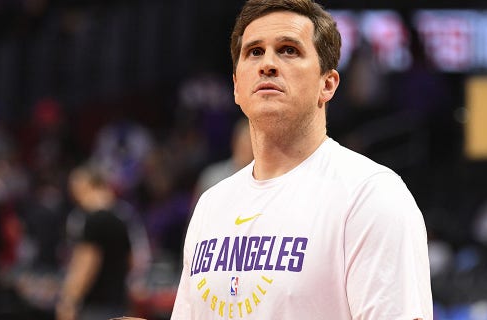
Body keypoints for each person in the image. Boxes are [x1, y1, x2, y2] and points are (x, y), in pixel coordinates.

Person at [171, 0, 432, 319]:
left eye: (288, 50)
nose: (267, 63)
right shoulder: (211, 205)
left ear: (328, 84)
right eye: (254, 52)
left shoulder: (370, 196)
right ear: (237, 87)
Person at [56, 164, 133, 320]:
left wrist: (69, 301)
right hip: (118, 304)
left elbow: (86, 263)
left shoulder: (94, 220)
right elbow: (131, 260)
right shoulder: (121, 218)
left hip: (94, 308)